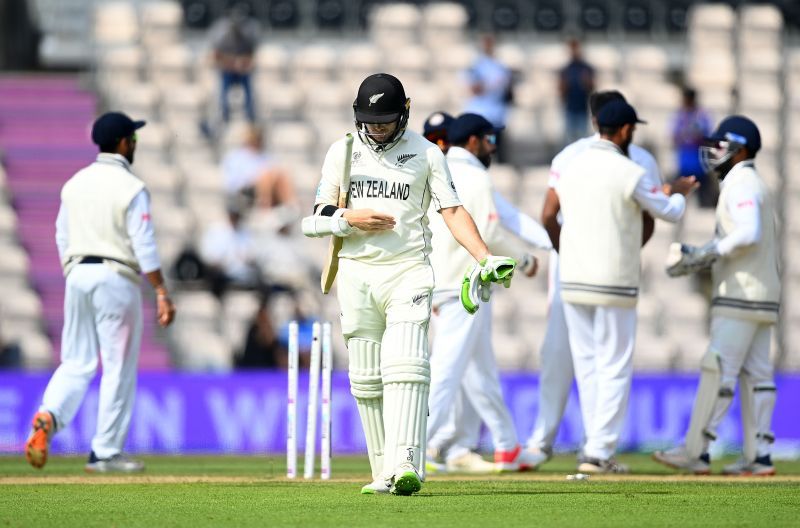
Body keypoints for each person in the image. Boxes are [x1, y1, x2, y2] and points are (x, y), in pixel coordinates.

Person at [309, 73, 517, 495]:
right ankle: (383, 471)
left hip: (407, 271)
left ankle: (407, 463)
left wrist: (484, 257)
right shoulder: (343, 151)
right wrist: (351, 218)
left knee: (406, 365)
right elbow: (319, 212)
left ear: (405, 111)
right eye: (370, 120)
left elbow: (453, 212)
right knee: (366, 379)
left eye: (385, 120)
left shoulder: (427, 155)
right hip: (356, 272)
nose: (377, 128)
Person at [525, 90, 698, 467]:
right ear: (622, 131)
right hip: (613, 280)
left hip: (573, 280)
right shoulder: (630, 170)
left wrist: (565, 252)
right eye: (630, 129)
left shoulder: (570, 166)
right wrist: (681, 192)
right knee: (614, 364)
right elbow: (666, 211)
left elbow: (549, 214)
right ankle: (599, 450)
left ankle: (594, 447)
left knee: (587, 364)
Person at [24, 112, 176, 473]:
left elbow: (61, 234)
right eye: (133, 138)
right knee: (118, 367)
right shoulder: (131, 187)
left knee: (76, 361)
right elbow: (144, 243)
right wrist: (161, 291)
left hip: (78, 274)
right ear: (124, 143)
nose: (135, 143)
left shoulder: (74, 183)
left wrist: (73, 269)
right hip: (115, 277)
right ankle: (105, 451)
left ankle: (49, 414)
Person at [426, 113, 552, 474]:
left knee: (479, 371)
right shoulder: (475, 176)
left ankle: (506, 446)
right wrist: (526, 261)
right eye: (489, 140)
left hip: (443, 282)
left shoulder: (437, 168)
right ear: (472, 141)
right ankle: (416, 447)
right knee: (446, 372)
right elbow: (489, 234)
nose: (493, 147)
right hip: (464, 287)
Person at [654, 116, 779, 476]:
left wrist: (706, 252)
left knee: (718, 370)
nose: (713, 152)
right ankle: (759, 456)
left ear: (740, 150)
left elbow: (748, 233)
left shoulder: (740, 184)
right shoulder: (755, 182)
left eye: (721, 146)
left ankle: (696, 450)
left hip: (739, 294)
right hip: (763, 296)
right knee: (758, 376)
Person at [463, 34, 513, 163]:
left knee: (494, 146)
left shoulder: (500, 67)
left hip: (495, 115)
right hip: (480, 114)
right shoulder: (477, 66)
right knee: (478, 148)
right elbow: (475, 88)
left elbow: (507, 89)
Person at [221, 125, 296, 209]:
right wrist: (255, 179)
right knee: (266, 177)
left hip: (267, 186)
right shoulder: (236, 157)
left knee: (282, 175)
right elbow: (232, 181)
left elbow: (276, 171)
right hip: (245, 190)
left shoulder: (265, 156)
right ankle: (266, 208)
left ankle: (291, 205)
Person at [209, 7, 260, 123]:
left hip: (243, 72)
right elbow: (217, 56)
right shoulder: (224, 39)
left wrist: (242, 63)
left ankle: (250, 114)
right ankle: (224, 113)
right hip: (228, 71)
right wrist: (232, 63)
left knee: (249, 90)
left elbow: (252, 57)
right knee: (223, 90)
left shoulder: (247, 39)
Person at [672, 87, 715, 207]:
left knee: (704, 202)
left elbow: (708, 137)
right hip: (684, 163)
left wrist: (697, 136)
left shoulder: (702, 116)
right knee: (679, 199)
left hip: (700, 165)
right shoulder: (680, 115)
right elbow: (674, 136)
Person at [559, 38, 595, 145]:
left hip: (582, 108)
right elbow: (561, 91)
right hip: (569, 108)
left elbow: (592, 88)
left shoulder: (587, 68)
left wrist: (586, 82)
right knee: (569, 140)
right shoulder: (566, 69)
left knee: (582, 139)